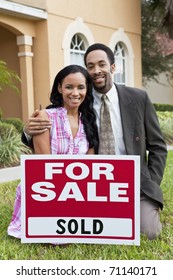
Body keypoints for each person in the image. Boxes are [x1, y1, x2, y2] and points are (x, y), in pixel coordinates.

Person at [22, 43, 167, 240]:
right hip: (93, 188)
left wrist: (151, 183)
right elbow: (50, 121)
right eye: (90, 66)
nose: (96, 71)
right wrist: (27, 131)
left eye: (101, 64)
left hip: (135, 183)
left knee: (149, 232)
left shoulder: (138, 98)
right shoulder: (79, 99)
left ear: (113, 67)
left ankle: (141, 206)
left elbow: (157, 146)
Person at [7, 64, 99, 239]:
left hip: (76, 191)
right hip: (46, 189)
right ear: (59, 88)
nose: (75, 93)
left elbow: (90, 168)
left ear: (87, 90)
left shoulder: (89, 121)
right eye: (69, 87)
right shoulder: (45, 117)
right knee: (59, 239)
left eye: (81, 87)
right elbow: (44, 167)